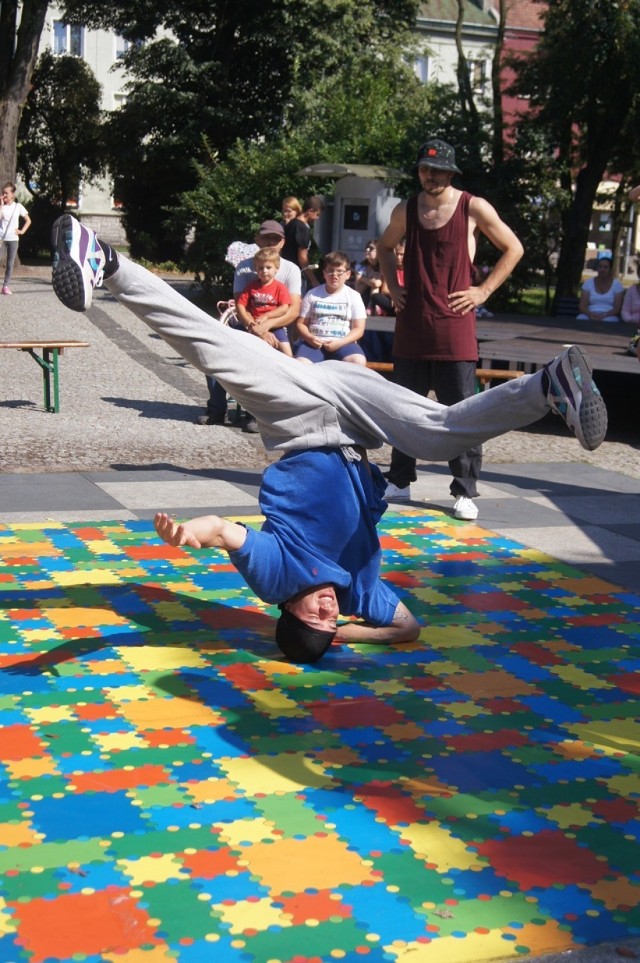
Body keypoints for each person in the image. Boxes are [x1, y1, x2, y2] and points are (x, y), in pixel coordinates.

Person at [50, 213, 608, 664]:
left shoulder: (277, 578)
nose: (324, 608)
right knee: (439, 438)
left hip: (298, 423)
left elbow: (224, 531)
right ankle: (549, 385)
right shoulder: (357, 595)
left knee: (212, 350)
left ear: (287, 611)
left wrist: (186, 536)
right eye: (328, 618)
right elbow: (407, 627)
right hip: (354, 426)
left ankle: (102, 257)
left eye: (312, 616)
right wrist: (348, 635)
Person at [378, 138, 524, 522]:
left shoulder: (472, 206)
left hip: (455, 327)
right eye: (425, 169)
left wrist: (483, 291)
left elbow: (514, 248)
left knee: (463, 412)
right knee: (403, 408)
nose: (430, 176)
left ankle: (464, 490)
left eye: (438, 169)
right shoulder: (407, 208)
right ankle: (400, 478)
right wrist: (393, 287)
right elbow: (385, 246)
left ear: (451, 172)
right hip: (413, 325)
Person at [199, 219, 302, 430]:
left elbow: (292, 309)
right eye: (266, 238)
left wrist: (267, 326)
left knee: (280, 360)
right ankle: (217, 409)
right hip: (247, 325)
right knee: (213, 352)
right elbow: (239, 304)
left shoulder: (291, 270)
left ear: (283, 242)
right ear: (257, 239)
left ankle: (258, 413)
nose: (271, 242)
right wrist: (255, 330)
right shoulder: (246, 268)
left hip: (276, 326)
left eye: (276, 238)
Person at [294, 251, 367, 365]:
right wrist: (310, 338)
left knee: (358, 361)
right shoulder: (312, 294)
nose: (334, 275)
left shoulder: (354, 296)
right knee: (300, 363)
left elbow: (359, 329)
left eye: (339, 271)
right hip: (314, 343)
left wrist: (340, 343)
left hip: (344, 343)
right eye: (330, 271)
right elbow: (301, 324)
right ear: (324, 273)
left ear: (347, 274)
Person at [235, 247, 293, 356]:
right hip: (254, 323)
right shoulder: (251, 287)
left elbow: (284, 307)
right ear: (255, 269)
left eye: (268, 267)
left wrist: (267, 315)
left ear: (277, 268)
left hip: (274, 325)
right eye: (260, 268)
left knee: (287, 352)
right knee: (233, 340)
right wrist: (248, 321)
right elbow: (240, 304)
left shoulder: (280, 288)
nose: (264, 271)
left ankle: (292, 368)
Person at [281, 194, 324, 291]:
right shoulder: (302, 228)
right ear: (310, 211)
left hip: (283, 271)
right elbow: (302, 258)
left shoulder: (291, 224)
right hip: (294, 274)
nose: (317, 218)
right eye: (317, 214)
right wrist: (313, 280)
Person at [1, 182, 31, 295]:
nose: (4, 195)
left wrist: (22, 231)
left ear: (12, 194)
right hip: (1, 238)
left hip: (13, 239)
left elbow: (28, 220)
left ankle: (5, 286)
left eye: (6, 193)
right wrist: (1, 205)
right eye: (3, 193)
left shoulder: (18, 207)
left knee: (9, 263)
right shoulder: (2, 206)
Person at [576, 256, 624, 322]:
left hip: (609, 315)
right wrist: (590, 314)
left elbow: (617, 308)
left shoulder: (616, 285)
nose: (602, 269)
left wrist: (604, 315)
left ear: (610, 269)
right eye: (600, 267)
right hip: (590, 314)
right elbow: (582, 306)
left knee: (611, 321)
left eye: (605, 267)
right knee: (581, 318)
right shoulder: (588, 283)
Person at [354, 240, 384, 309]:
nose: (367, 250)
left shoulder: (383, 266)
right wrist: (369, 279)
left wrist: (362, 278)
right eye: (366, 248)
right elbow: (358, 290)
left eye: (371, 248)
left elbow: (377, 283)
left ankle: (373, 308)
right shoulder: (360, 267)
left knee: (375, 288)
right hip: (364, 296)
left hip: (380, 295)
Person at [621, 261, 640, 326]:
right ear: (638, 274)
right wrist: (629, 320)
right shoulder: (631, 290)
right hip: (632, 325)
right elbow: (625, 310)